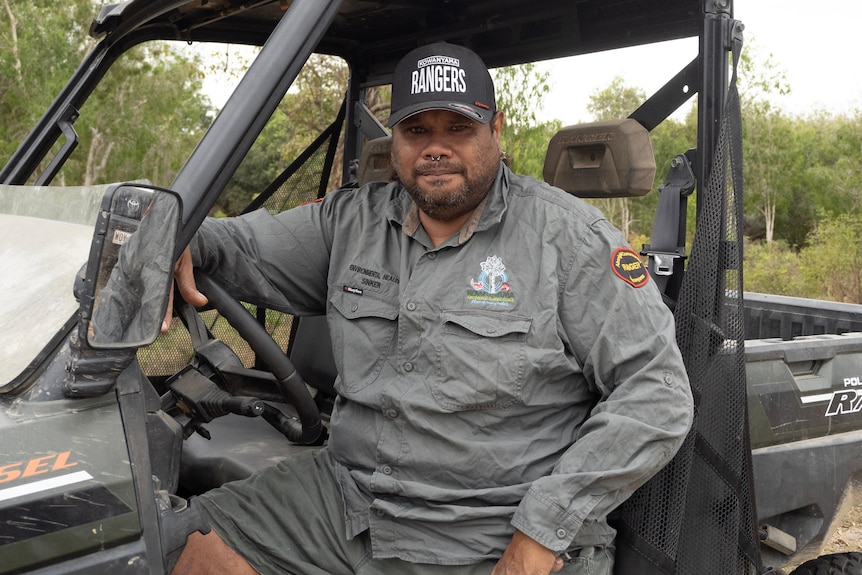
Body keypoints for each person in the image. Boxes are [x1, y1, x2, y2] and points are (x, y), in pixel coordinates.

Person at [169, 41, 693, 575]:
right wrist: (178, 237)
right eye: (417, 130)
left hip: (490, 523)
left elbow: (657, 395)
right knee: (176, 545)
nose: (435, 148)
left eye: (458, 128)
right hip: (348, 500)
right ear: (394, 138)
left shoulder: (570, 241)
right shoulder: (350, 222)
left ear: (496, 129)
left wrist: (543, 530)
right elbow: (236, 245)